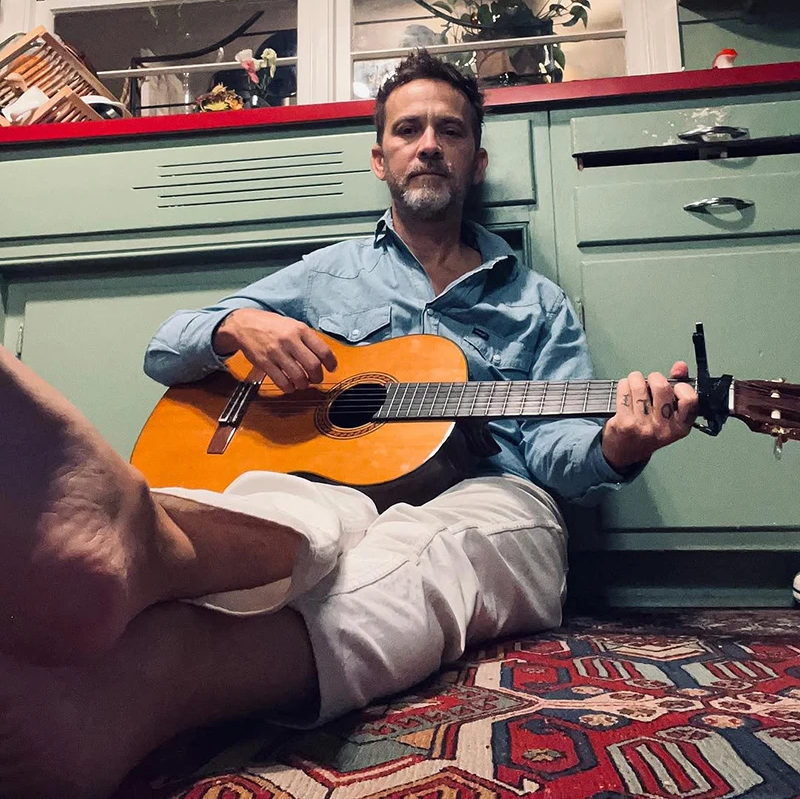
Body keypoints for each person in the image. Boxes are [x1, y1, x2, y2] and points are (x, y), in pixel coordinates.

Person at [0, 51, 698, 799]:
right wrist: (235, 326)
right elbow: (166, 347)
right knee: (286, 507)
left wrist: (615, 445)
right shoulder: (327, 272)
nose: (429, 144)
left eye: (450, 131)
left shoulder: (537, 303)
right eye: (408, 129)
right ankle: (141, 544)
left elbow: (558, 450)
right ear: (379, 158)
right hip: (338, 480)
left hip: (493, 492)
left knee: (436, 552)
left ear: (477, 160)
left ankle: (152, 679)